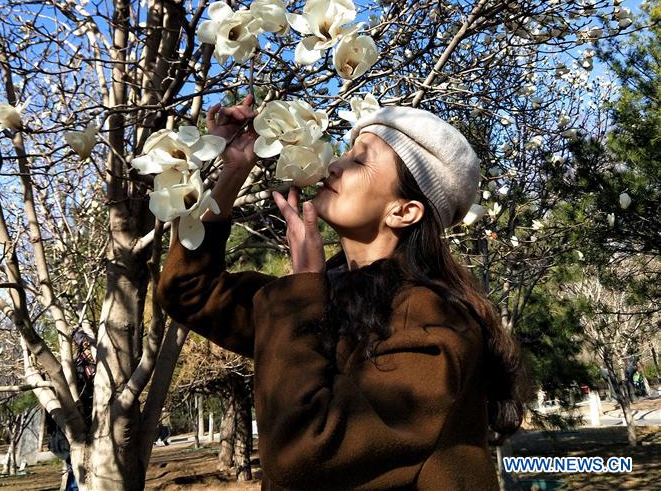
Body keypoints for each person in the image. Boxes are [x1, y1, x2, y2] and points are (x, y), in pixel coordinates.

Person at [156, 94, 527, 490]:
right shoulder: (327, 294)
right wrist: (234, 170)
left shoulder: (434, 325)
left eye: (360, 160)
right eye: (347, 153)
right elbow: (188, 290)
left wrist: (302, 292)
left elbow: (306, 454)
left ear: (404, 211)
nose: (334, 164)